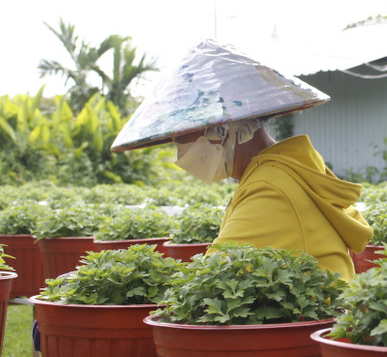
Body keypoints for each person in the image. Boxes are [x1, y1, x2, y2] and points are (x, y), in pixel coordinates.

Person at [111, 39, 372, 280]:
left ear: (222, 129)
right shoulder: (276, 172)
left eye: (182, 137)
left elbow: (210, 280)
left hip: (310, 327)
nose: (180, 151)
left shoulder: (270, 188)